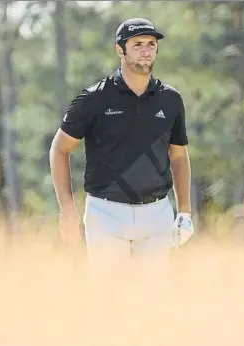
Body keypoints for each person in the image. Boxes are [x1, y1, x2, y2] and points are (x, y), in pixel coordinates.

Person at [49, 18, 194, 276]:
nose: (146, 50)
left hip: (157, 214)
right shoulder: (94, 98)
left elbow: (179, 157)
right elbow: (60, 149)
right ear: (120, 50)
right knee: (109, 299)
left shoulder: (170, 100)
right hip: (105, 214)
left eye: (151, 44)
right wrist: (67, 208)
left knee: (153, 300)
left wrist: (184, 212)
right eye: (137, 44)